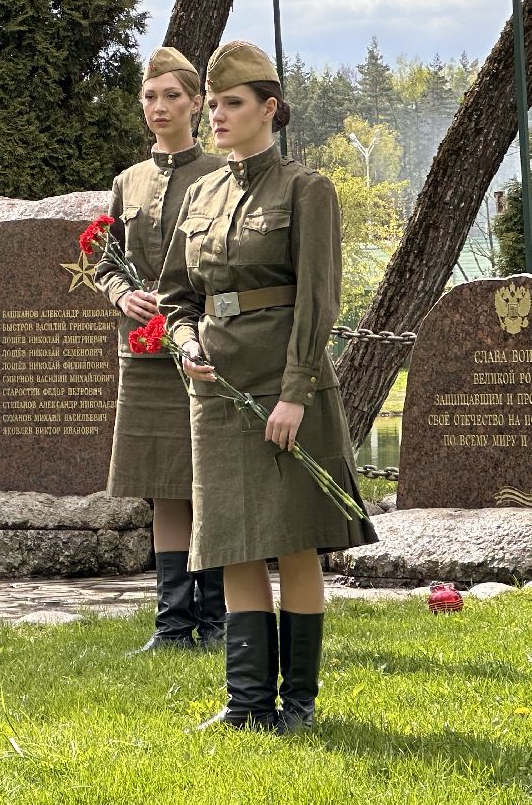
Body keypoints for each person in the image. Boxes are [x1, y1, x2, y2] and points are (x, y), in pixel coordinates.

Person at [160, 41, 377, 732]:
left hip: (284, 386)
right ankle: (247, 704)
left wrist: (294, 394)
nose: (217, 116)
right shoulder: (201, 192)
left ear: (269, 109)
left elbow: (318, 301)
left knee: (293, 539)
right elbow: (175, 298)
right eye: (213, 104)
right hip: (218, 389)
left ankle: (299, 705)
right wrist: (184, 342)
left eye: (232, 103)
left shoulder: (306, 189)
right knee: (233, 541)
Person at [95, 46, 226, 652]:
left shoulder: (221, 175)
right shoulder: (128, 182)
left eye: (172, 96)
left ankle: (217, 617)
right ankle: (173, 623)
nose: (159, 107)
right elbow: (103, 260)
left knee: (209, 479)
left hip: (205, 343)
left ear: (197, 104)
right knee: (164, 485)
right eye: (150, 96)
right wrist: (122, 293)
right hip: (144, 351)